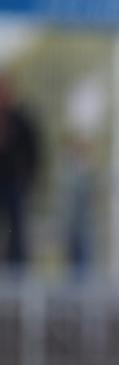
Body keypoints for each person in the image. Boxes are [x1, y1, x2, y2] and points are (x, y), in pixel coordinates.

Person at [0, 75, 41, 272]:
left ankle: (17, 271)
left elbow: (34, 152)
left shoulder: (22, 120)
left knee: (16, 230)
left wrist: (27, 179)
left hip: (14, 184)